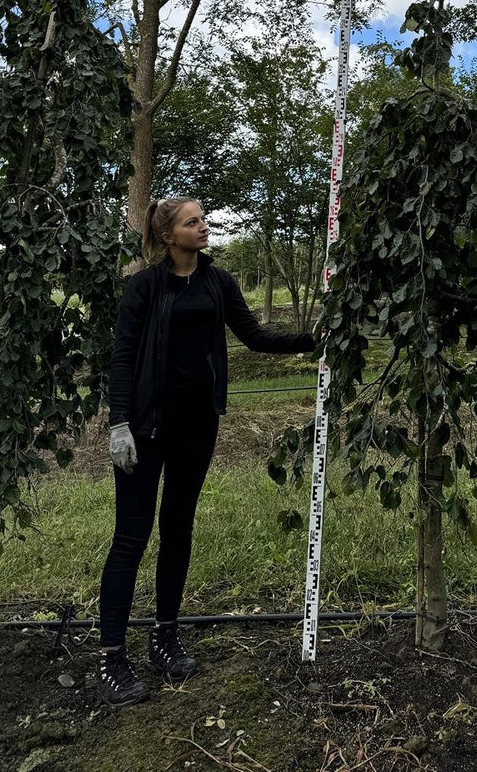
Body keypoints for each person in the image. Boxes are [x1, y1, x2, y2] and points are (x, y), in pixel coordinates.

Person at [96, 197, 316, 706]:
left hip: (197, 429)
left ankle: (164, 637)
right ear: (168, 235)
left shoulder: (218, 282)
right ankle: (111, 658)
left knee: (178, 529)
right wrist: (119, 424)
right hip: (145, 430)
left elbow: (254, 336)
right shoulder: (144, 288)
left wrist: (313, 341)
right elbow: (123, 359)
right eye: (192, 222)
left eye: (204, 219)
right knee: (131, 536)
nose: (204, 227)